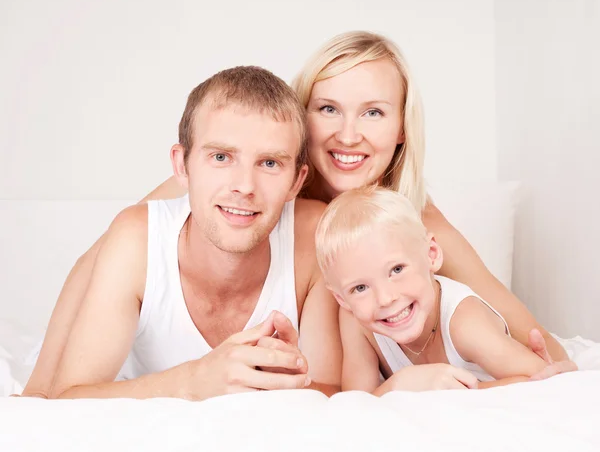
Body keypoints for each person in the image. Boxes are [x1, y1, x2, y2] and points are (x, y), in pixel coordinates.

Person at [23, 31, 574, 398]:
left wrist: (537, 362)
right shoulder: (238, 177)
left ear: (402, 128)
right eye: (328, 108)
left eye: (374, 113)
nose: (348, 135)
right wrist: (39, 394)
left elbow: (518, 329)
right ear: (302, 117)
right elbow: (103, 256)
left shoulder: (412, 222)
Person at [46, 66, 342, 400]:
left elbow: (333, 391)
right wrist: (195, 380)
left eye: (270, 163)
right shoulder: (137, 240)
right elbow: (66, 399)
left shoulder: (314, 235)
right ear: (182, 165)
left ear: (297, 181)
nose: (245, 186)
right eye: (221, 157)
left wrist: (286, 381)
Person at [316, 186, 554, 394]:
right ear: (342, 299)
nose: (386, 298)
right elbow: (358, 404)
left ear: (432, 255)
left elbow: (540, 380)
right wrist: (398, 385)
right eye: (360, 287)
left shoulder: (464, 323)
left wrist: (450, 391)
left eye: (397, 270)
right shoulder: (357, 322)